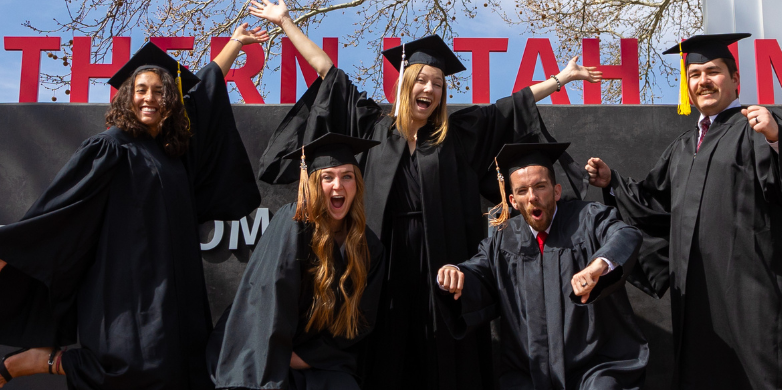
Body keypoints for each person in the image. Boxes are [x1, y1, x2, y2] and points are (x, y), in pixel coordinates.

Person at [246, 1, 604, 389]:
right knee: (386, 342)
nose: (430, 89)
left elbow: (510, 107)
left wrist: (561, 78)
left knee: (441, 348)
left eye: (437, 83)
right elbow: (328, 71)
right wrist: (286, 22)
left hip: (442, 255)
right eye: (422, 80)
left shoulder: (457, 135)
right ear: (406, 83)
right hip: (385, 254)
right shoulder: (373, 126)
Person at [0, 25, 270, 389]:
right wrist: (11, 249)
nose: (150, 98)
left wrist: (235, 43)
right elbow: (64, 205)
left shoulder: (176, 153)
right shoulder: (111, 147)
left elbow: (202, 93)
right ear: (126, 97)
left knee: (182, 369)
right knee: (129, 367)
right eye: (141, 90)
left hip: (179, 281)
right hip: (129, 282)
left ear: (170, 101)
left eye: (159, 91)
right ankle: (47, 360)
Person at [583, 33, 782, 390]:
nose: (703, 81)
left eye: (713, 71)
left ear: (735, 78)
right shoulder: (683, 147)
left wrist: (777, 139)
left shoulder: (756, 127)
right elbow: (654, 207)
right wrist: (612, 183)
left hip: (753, 292)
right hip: (697, 300)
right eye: (694, 75)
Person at [434, 143, 649, 390]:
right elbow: (477, 271)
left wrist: (598, 265)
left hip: (593, 366)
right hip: (529, 370)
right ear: (513, 201)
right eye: (522, 191)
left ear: (556, 191)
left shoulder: (588, 219)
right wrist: (455, 273)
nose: (532, 197)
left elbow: (625, 234)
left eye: (540, 186)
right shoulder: (503, 241)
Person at [209, 134, 388, 390]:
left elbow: (361, 320)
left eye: (347, 176)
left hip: (316, 358)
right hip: (263, 352)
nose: (338, 186)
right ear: (312, 183)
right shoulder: (295, 224)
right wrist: (280, 356)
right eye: (328, 177)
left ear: (357, 184)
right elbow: (269, 296)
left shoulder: (368, 247)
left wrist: (308, 357)